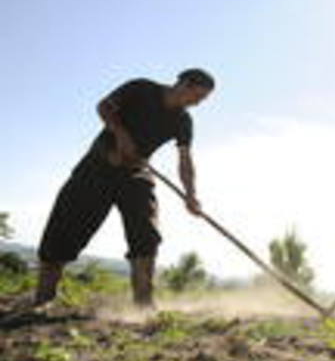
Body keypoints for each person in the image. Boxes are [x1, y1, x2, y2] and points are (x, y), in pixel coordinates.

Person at [35, 68, 215, 308]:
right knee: (65, 227)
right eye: (197, 96)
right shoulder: (141, 89)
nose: (198, 103)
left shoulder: (183, 120)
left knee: (146, 233)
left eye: (202, 99)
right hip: (97, 167)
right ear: (184, 84)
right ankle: (43, 300)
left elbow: (185, 159)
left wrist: (191, 195)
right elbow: (104, 106)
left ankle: (144, 305)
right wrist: (120, 134)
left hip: (136, 171)